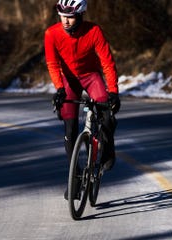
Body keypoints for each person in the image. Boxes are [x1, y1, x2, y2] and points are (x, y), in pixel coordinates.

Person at [44, 0, 121, 197]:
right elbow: (52, 64)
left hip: (91, 76)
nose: (65, 21)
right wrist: (59, 89)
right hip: (68, 79)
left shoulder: (94, 31)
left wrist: (113, 91)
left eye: (70, 17)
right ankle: (75, 178)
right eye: (62, 16)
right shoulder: (51, 34)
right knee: (69, 126)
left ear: (80, 15)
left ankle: (107, 151)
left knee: (105, 108)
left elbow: (107, 62)